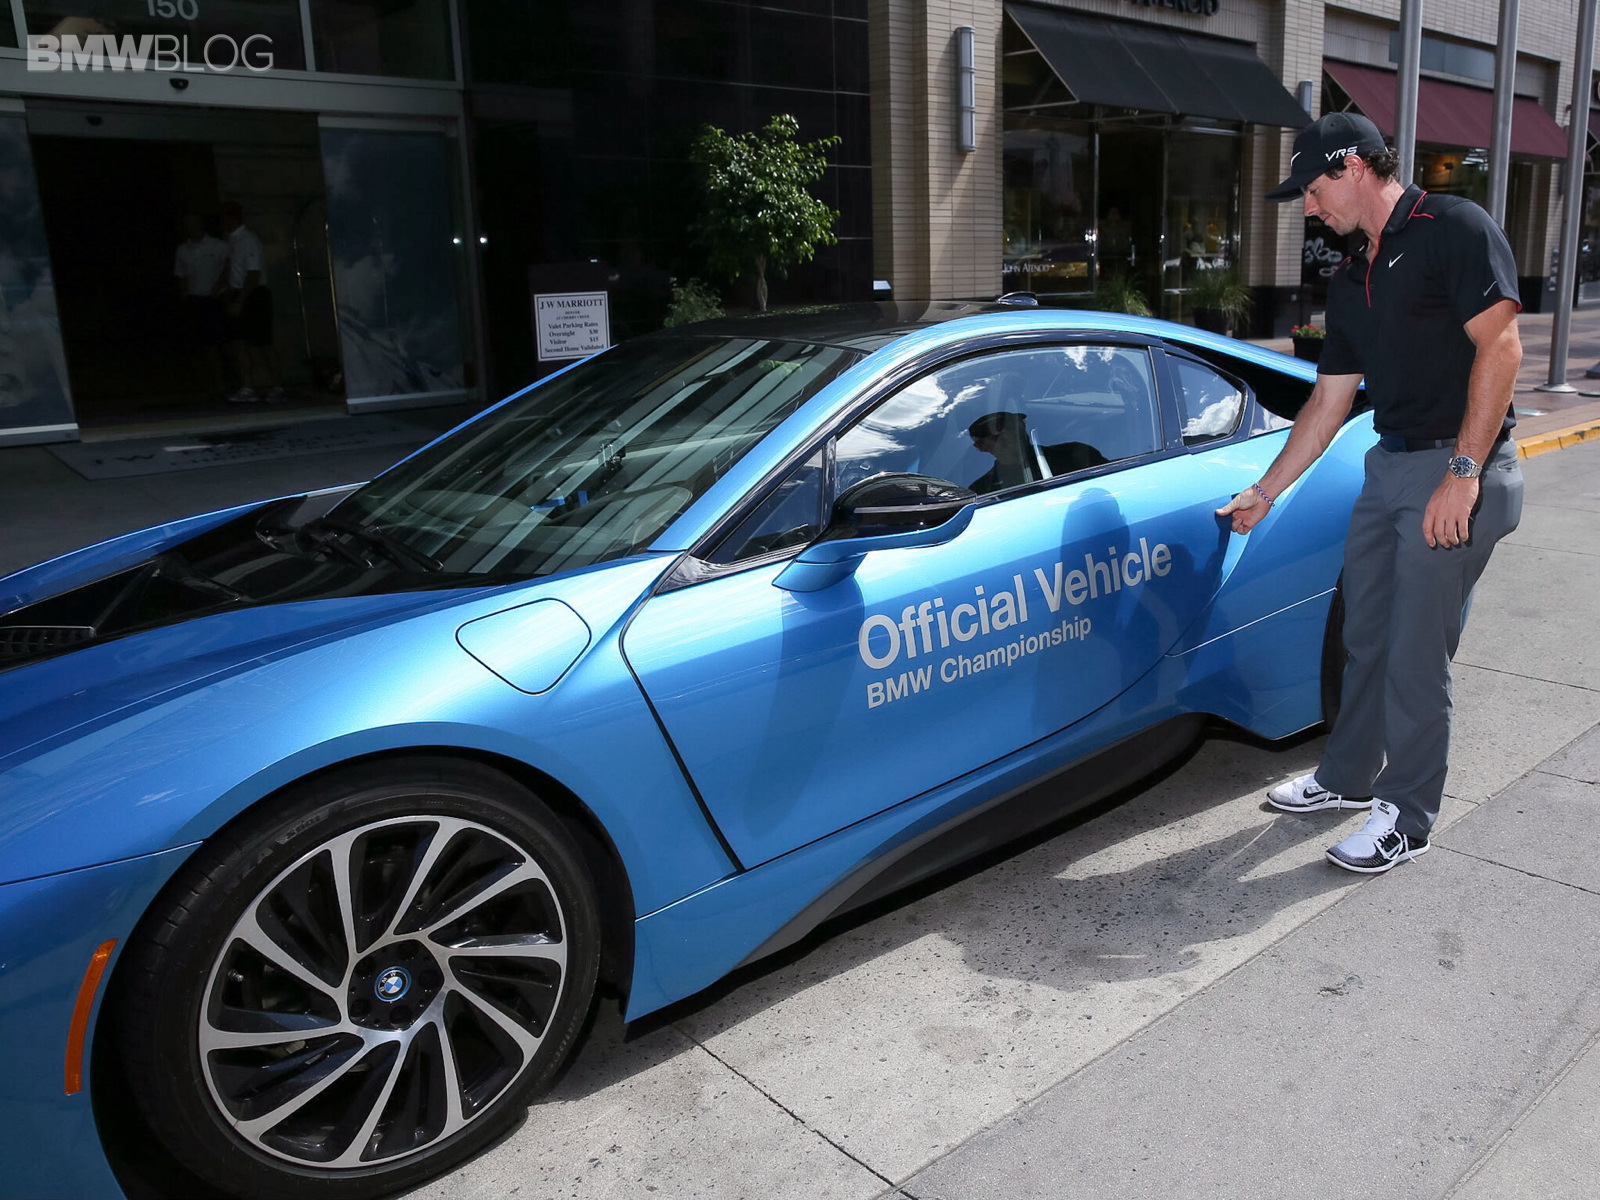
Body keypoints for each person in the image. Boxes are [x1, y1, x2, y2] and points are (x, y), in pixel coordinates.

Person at [1216, 112, 1524, 874]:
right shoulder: (1352, 278)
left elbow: (1502, 346)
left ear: (1353, 166)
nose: (1310, 207)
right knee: (1366, 635)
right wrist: (1266, 490)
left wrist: (1463, 474)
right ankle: (1347, 777)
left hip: (1458, 466)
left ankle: (1407, 816)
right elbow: (1327, 403)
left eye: (1314, 189)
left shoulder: (1454, 228)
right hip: (1388, 465)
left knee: (1417, 651)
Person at [216, 200, 282, 404]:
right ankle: (247, 387)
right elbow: (232, 271)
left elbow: (253, 273)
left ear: (232, 218)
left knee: (262, 342)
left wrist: (240, 301)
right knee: (239, 343)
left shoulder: (248, 239)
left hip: (254, 294)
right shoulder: (231, 241)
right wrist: (227, 294)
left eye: (224, 218)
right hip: (238, 292)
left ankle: (276, 385)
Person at [173, 213, 229, 399]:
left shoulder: (218, 246)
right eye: (188, 224)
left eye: (194, 223)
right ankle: (205, 383)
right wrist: (185, 298)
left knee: (217, 343)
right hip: (194, 300)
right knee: (199, 344)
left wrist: (220, 287)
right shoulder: (183, 250)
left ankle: (223, 382)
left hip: (214, 300)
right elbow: (181, 276)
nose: (191, 227)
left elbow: (229, 267)